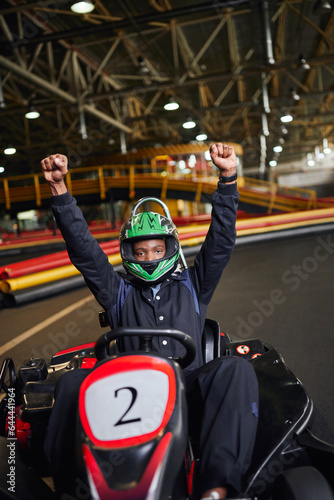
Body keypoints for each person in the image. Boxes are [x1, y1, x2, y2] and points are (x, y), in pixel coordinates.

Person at [41, 143, 259, 500]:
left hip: (185, 385)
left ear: (170, 248)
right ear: (128, 254)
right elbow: (83, 249)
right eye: (140, 252)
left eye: (156, 250)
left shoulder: (194, 283)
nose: (149, 257)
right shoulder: (117, 292)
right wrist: (58, 189)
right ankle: (73, 490)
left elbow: (221, 241)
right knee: (71, 384)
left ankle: (216, 487)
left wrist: (228, 177)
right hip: (130, 387)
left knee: (236, 369)